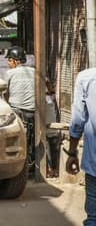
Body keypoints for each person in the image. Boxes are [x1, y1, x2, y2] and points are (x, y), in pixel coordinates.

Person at [65, 68, 96, 225]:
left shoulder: (86, 78)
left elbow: (78, 120)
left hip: (94, 161)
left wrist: (72, 152)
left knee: (93, 217)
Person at [4, 46, 35, 165]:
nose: (8, 63)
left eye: (9, 60)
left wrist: (7, 101)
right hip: (33, 111)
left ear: (16, 61)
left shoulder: (10, 73)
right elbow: (47, 83)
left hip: (16, 111)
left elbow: (5, 92)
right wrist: (50, 91)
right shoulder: (35, 71)